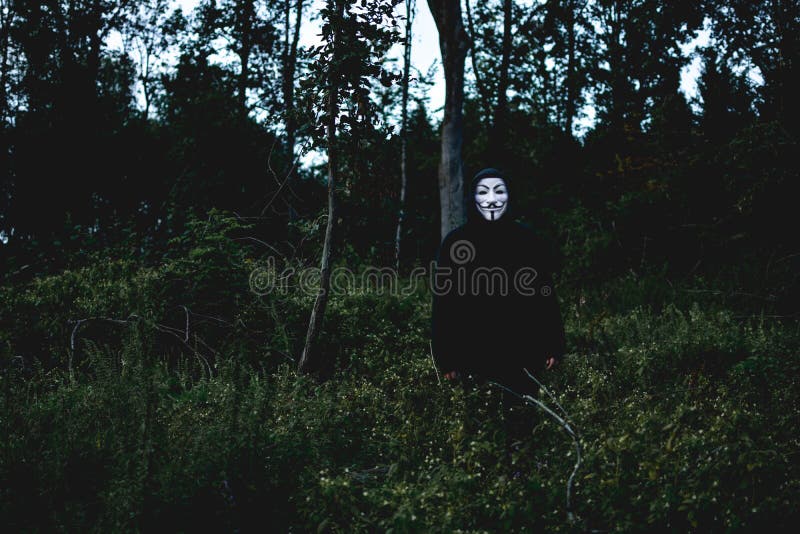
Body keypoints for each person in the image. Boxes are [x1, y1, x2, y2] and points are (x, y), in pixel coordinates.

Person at [430, 167, 567, 449]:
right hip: (473, 352)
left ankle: (520, 474)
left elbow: (545, 295)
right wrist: (447, 357)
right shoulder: (456, 243)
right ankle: (483, 479)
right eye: (483, 192)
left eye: (499, 191)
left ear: (509, 196)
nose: (492, 199)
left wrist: (553, 344)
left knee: (522, 419)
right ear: (473, 198)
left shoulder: (526, 240)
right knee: (479, 423)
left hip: (522, 350)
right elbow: (444, 304)